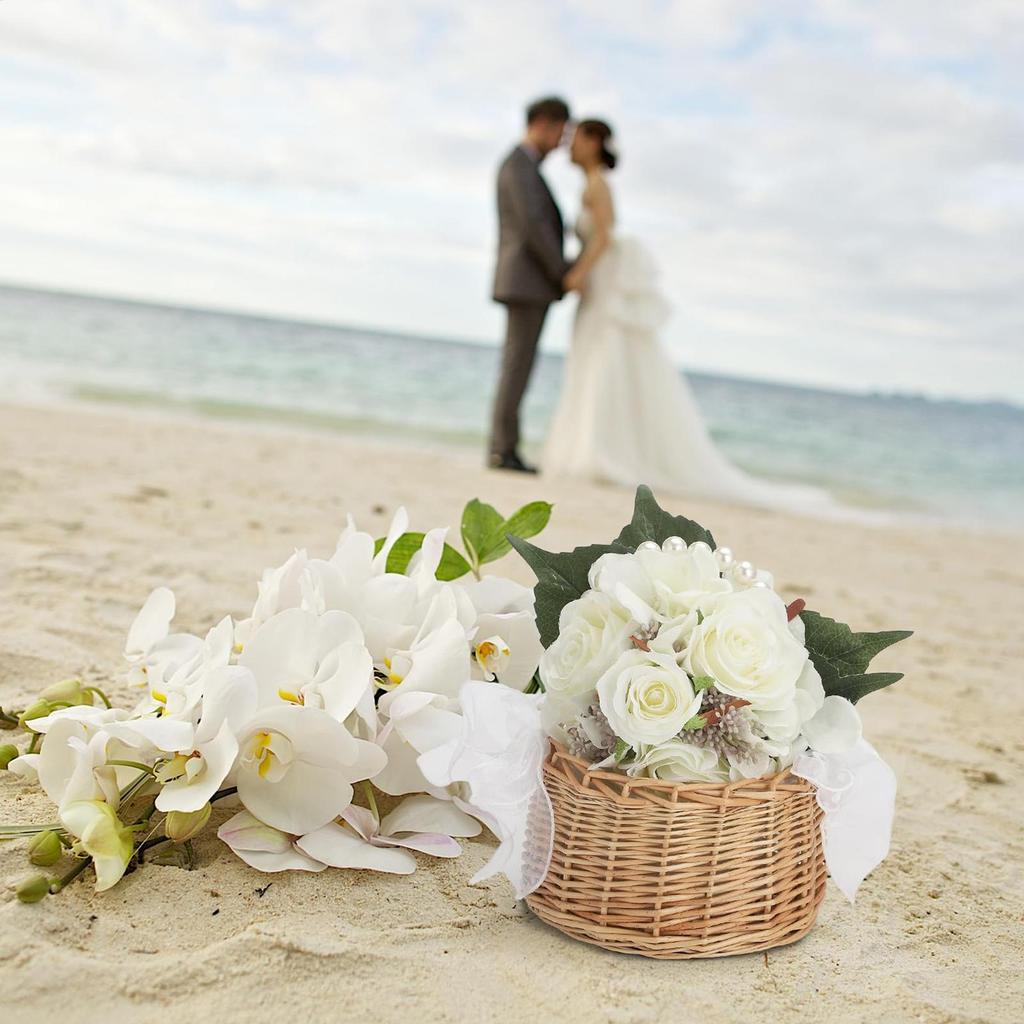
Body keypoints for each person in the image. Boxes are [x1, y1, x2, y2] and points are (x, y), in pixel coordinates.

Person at [544, 119, 828, 510]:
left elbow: (604, 238)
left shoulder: (598, 186)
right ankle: (587, 449)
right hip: (598, 286)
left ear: (593, 142)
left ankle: (599, 452)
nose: (569, 146)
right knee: (593, 363)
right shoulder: (591, 185)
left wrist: (577, 273)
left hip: (603, 286)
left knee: (604, 362)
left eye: (575, 139)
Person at [488, 96, 571, 474]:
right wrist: (562, 271)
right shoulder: (519, 165)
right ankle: (502, 449)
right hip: (526, 281)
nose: (561, 143)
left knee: (518, 365)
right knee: (516, 365)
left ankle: (504, 447)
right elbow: (533, 226)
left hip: (527, 281)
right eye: (560, 132)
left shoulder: (524, 166)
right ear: (542, 123)